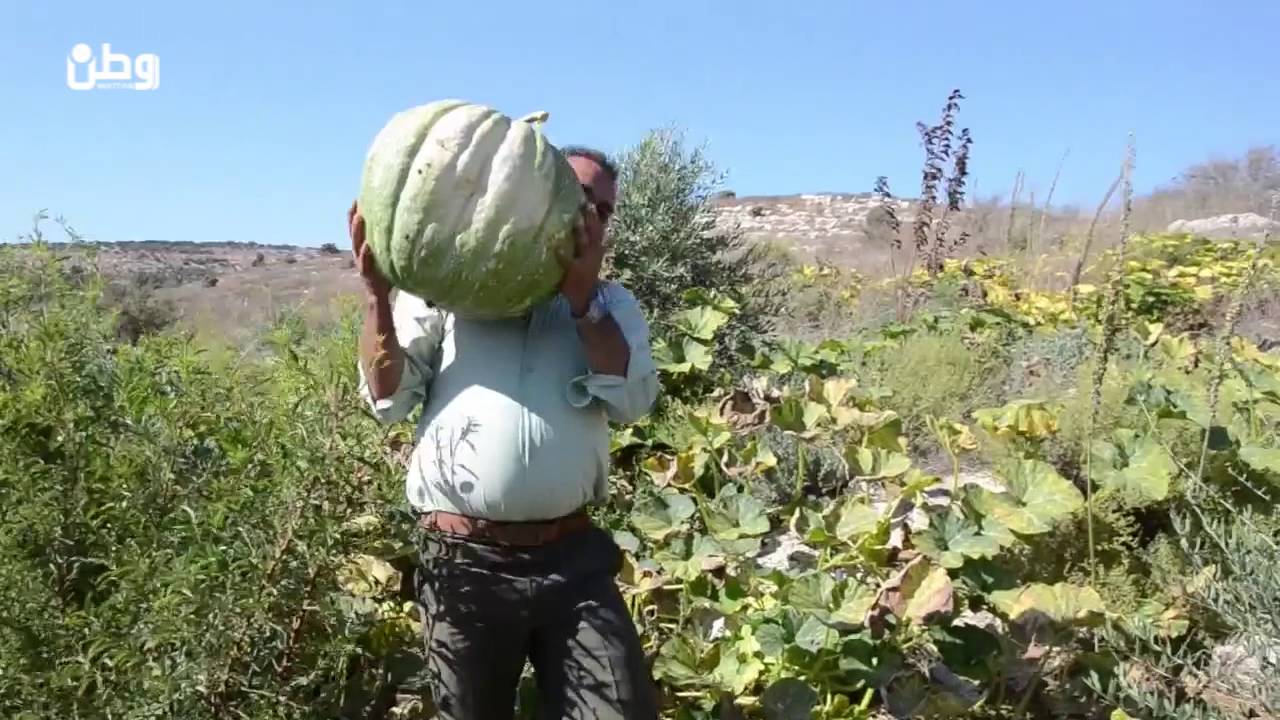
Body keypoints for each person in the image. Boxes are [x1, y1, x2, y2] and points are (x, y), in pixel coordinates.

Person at [347, 146, 661, 720]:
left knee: (623, 709)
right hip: (463, 560)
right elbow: (388, 399)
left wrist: (583, 302)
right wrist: (378, 298)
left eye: (604, 209)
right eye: (577, 198)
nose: (589, 215)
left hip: (573, 561)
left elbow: (634, 401)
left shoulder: (613, 305)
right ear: (536, 197)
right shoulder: (444, 296)